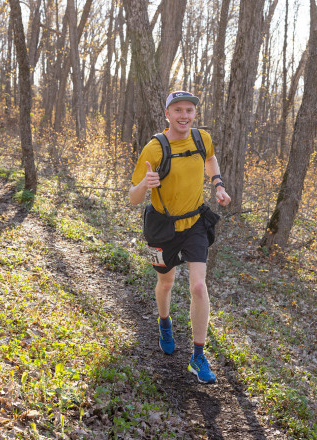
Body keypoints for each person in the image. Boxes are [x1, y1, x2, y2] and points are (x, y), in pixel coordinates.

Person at [129, 91, 231, 384]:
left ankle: (198, 356)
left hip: (196, 223)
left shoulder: (202, 139)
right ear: (167, 114)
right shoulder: (154, 148)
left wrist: (218, 184)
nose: (184, 115)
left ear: (194, 114)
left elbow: (210, 159)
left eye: (189, 110)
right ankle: (164, 323)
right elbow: (133, 198)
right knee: (166, 282)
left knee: (199, 286)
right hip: (162, 227)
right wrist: (145, 186)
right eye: (178, 110)